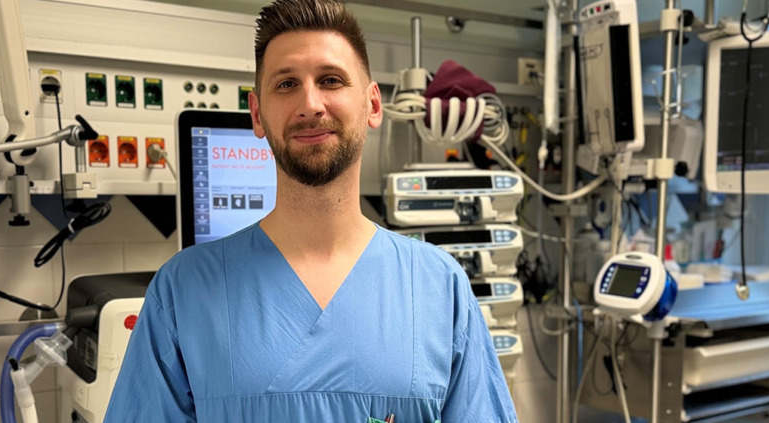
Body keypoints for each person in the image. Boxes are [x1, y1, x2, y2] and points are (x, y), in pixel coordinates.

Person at [105, 0, 518, 421]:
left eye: (331, 80)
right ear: (257, 114)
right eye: (285, 84)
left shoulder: (438, 288)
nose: (310, 104)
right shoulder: (183, 291)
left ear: (373, 105)